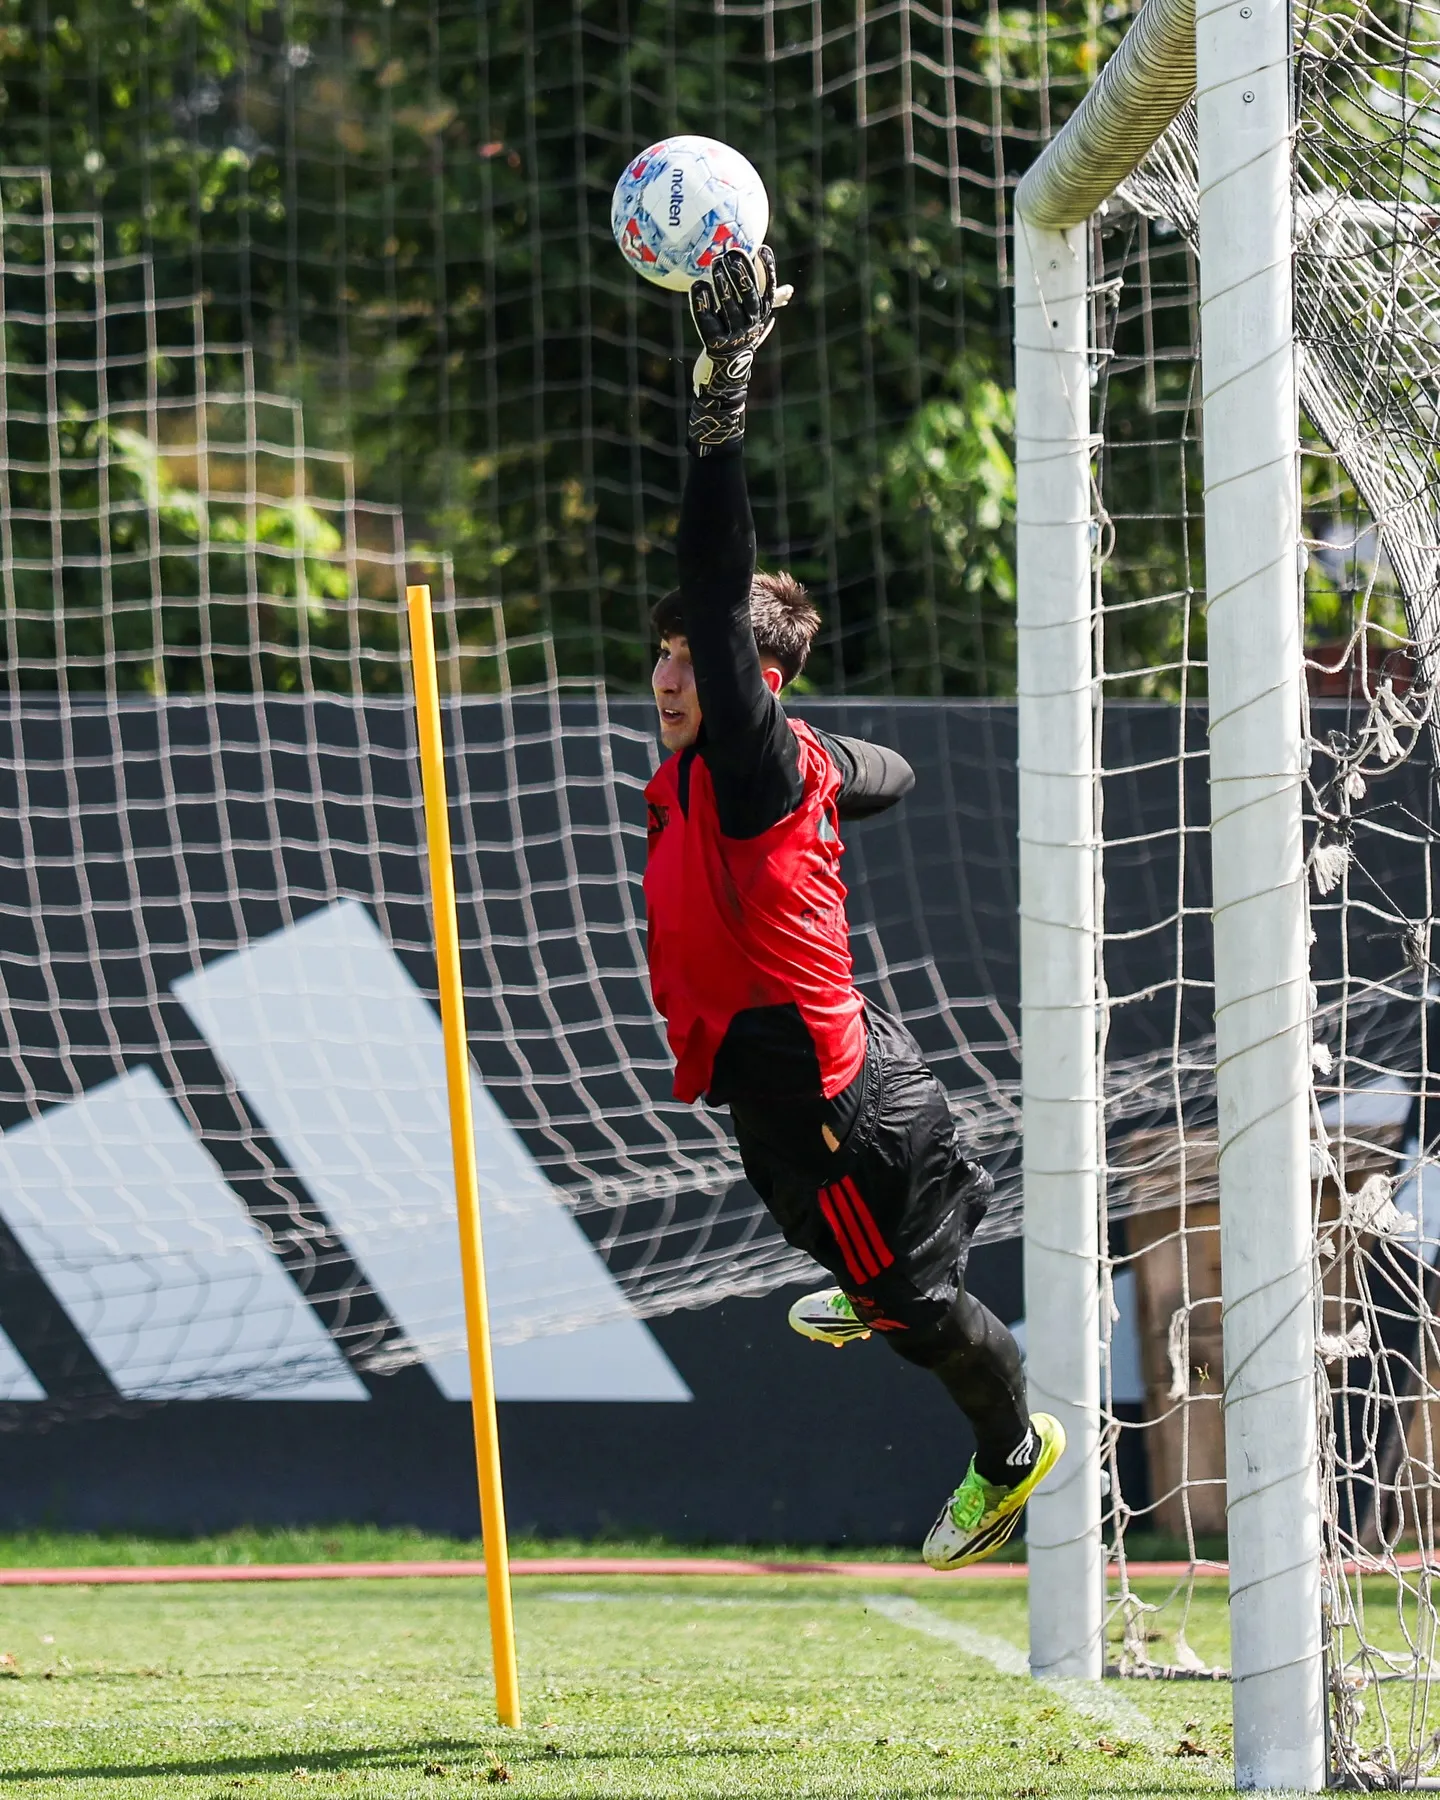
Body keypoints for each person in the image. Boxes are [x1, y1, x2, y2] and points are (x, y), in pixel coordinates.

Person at [642, 243, 1065, 1568]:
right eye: (658, 656)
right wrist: (829, 771)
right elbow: (889, 770)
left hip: (835, 1104)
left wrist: (722, 398)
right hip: (804, 1091)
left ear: (750, 680)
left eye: (689, 658)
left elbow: (720, 580)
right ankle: (882, 1266)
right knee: (866, 1266)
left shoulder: (752, 755)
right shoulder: (779, 765)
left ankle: (1013, 1454)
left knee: (922, 1314)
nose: (666, 675)